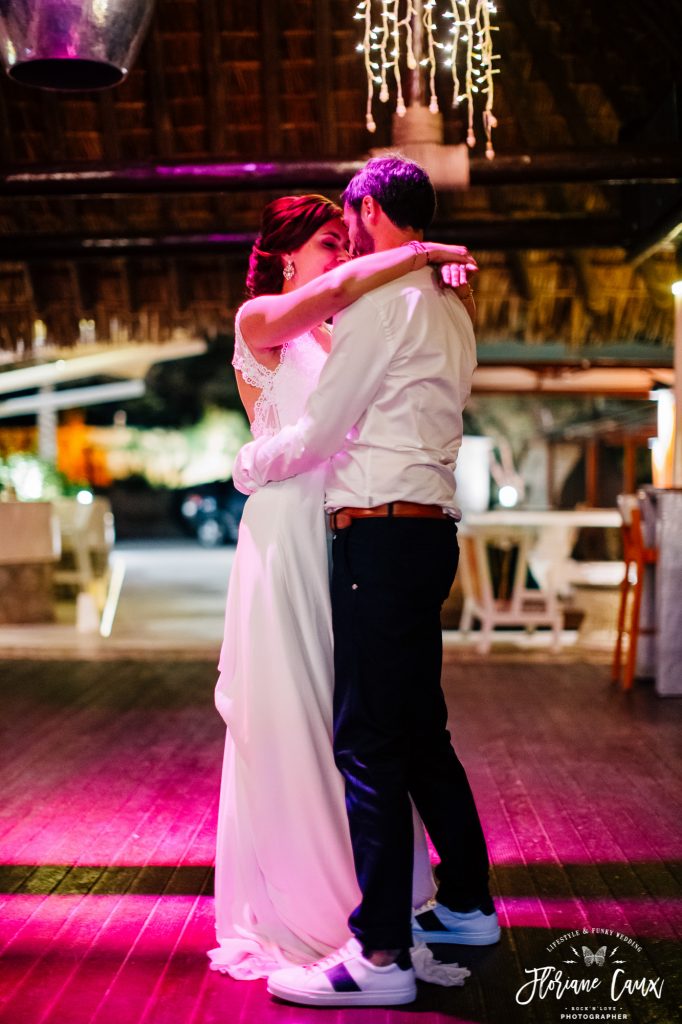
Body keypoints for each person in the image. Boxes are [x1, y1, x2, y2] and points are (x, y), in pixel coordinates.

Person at [232, 157, 500, 1009]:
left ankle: (380, 943)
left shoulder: (373, 311)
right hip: (319, 531)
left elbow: (317, 433)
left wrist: (250, 460)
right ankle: (426, 907)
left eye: (351, 234)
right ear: (284, 258)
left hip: (362, 533)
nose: (345, 252)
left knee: (367, 736)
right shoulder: (275, 315)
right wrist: (424, 254)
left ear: (373, 215)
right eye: (327, 244)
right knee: (386, 728)